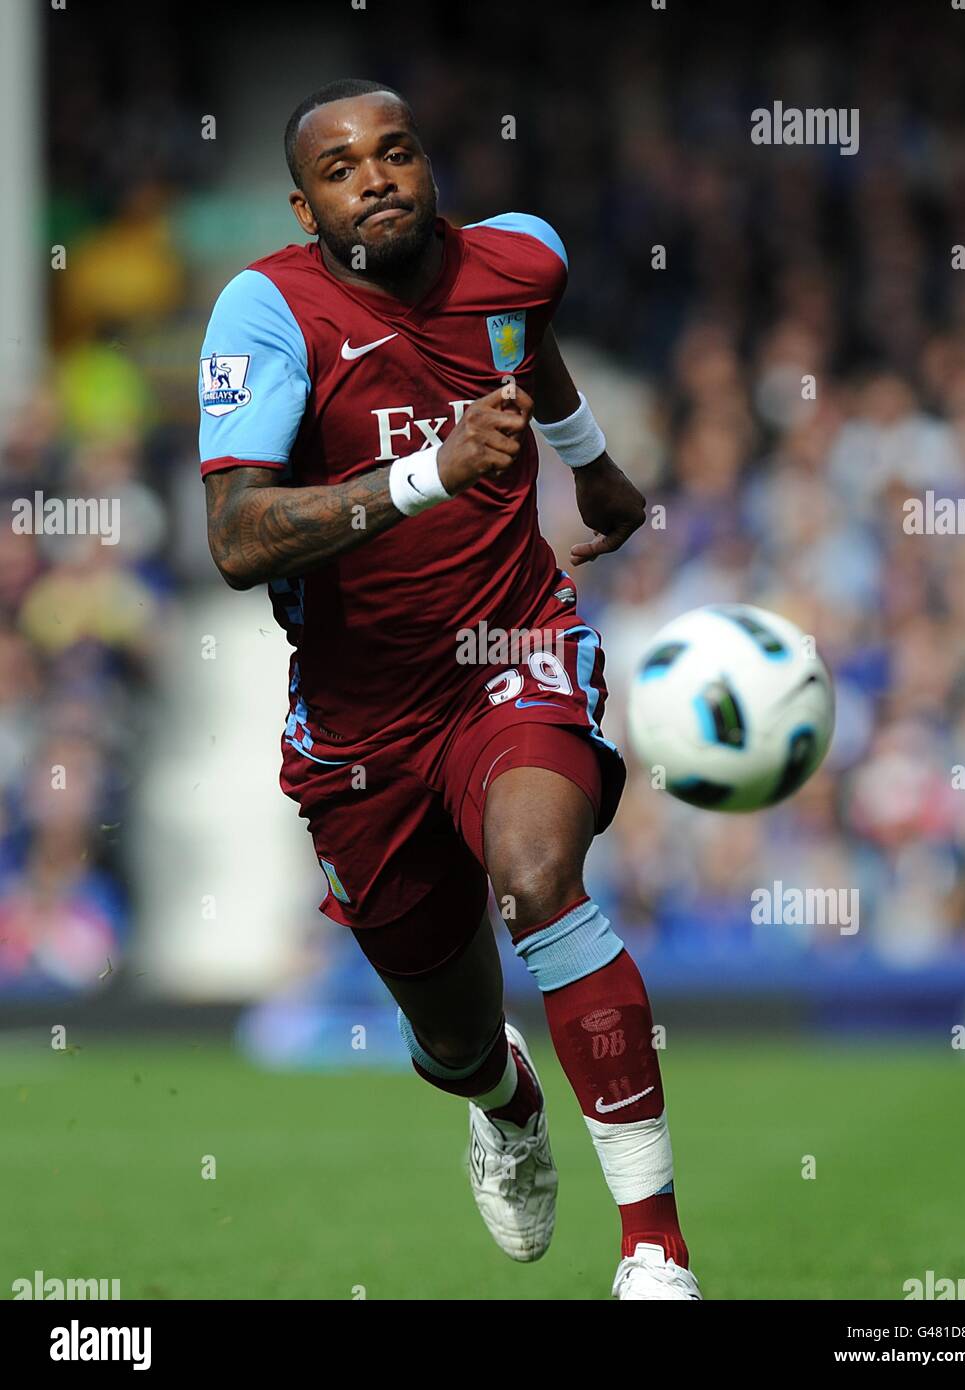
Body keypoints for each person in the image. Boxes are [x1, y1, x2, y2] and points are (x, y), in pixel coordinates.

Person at [198, 77, 699, 1300]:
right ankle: (502, 1099)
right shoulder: (266, 313)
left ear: (430, 169)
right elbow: (234, 537)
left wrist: (593, 471)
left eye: (397, 153)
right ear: (302, 203)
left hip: (510, 645)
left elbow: (528, 342)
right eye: (340, 167)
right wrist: (425, 473)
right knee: (456, 1034)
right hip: (359, 719)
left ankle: (654, 1252)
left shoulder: (520, 259)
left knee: (538, 881)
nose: (374, 177)